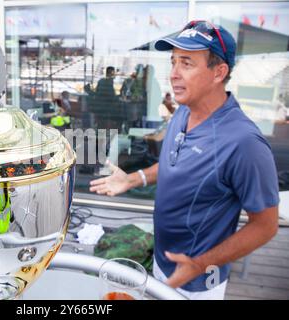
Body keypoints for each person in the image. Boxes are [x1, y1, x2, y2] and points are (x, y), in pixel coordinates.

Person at [89, 21, 279, 300]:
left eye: (186, 63)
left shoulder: (244, 142)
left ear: (219, 72)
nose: (173, 75)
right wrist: (134, 178)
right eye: (173, 62)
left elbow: (266, 225)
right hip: (163, 260)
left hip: (200, 279)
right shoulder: (182, 112)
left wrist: (201, 264)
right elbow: (173, 164)